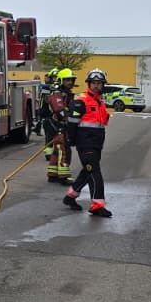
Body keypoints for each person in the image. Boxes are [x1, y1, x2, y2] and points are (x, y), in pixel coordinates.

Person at [63, 68, 112, 217]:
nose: (96, 86)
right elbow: (71, 123)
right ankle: (97, 205)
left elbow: (102, 122)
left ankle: (70, 196)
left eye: (99, 83)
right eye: (94, 83)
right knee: (94, 172)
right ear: (88, 84)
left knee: (87, 171)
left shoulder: (100, 102)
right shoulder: (81, 101)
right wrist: (70, 140)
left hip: (96, 144)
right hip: (85, 144)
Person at [42, 68, 74, 183]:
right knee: (65, 150)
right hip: (58, 125)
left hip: (58, 125)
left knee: (57, 150)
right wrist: (69, 119)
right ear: (61, 80)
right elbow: (59, 109)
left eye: (71, 80)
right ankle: (64, 176)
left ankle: (53, 174)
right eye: (67, 80)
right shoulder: (57, 93)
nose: (70, 82)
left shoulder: (65, 93)